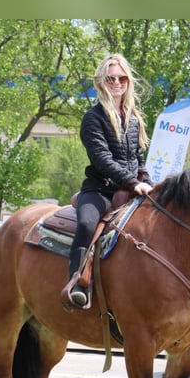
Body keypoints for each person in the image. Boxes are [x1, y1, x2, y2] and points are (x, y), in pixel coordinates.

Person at [62, 53, 153, 309]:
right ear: (102, 81)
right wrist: (132, 182)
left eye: (122, 78)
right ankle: (77, 284)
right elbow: (101, 158)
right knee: (86, 224)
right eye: (111, 78)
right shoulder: (93, 118)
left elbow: (138, 158)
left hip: (131, 189)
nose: (117, 82)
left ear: (128, 81)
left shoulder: (134, 118)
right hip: (100, 189)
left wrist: (146, 181)